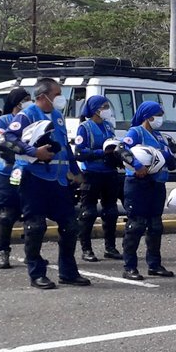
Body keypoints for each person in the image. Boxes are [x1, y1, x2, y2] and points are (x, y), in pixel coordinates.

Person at [2, 78, 90, 289]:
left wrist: (76, 172)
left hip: (58, 181)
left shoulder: (58, 116)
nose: (61, 98)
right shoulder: (27, 115)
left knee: (70, 225)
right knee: (36, 226)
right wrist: (33, 152)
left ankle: (68, 272)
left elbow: (65, 148)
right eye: (57, 93)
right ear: (42, 96)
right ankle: (36, 273)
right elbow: (6, 139)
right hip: (34, 179)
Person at [120, 101, 176, 279]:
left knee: (155, 226)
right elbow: (122, 150)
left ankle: (154, 264)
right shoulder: (136, 132)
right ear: (148, 116)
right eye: (158, 114)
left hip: (157, 184)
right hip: (138, 184)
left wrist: (168, 156)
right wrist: (137, 166)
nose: (160, 118)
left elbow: (171, 160)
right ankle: (129, 267)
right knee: (136, 225)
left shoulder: (160, 136)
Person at [74, 95, 123, 263]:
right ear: (96, 109)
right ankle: (86, 249)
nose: (107, 110)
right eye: (104, 107)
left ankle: (110, 247)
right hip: (92, 174)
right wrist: (101, 153)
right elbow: (79, 153)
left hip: (109, 173)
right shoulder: (85, 128)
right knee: (88, 212)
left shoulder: (109, 127)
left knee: (111, 212)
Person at [0, 87, 31, 269]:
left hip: (30, 172)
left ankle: (31, 254)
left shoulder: (31, 119)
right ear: (18, 102)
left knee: (32, 214)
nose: (29, 103)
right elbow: (4, 144)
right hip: (10, 173)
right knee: (8, 214)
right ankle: (3, 252)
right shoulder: (3, 121)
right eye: (26, 99)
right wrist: (24, 149)